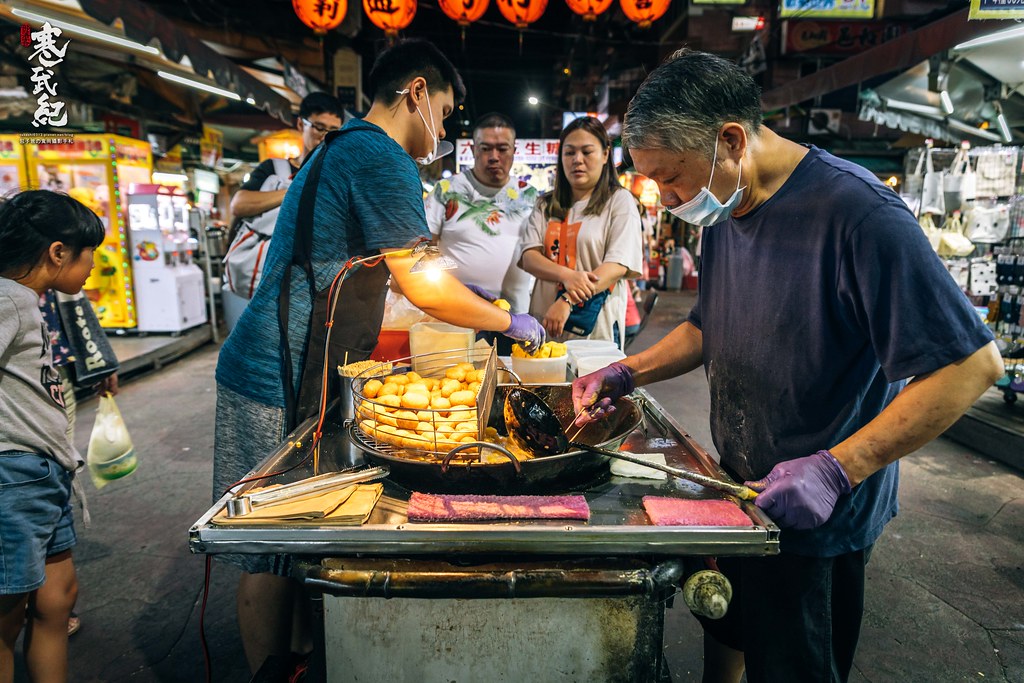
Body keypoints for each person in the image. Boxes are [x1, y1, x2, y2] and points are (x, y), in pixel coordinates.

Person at [571, 49, 1003, 683]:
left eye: (672, 179)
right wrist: (629, 371)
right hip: (738, 489)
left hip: (816, 515)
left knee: (794, 662)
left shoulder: (859, 215)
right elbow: (705, 326)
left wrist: (839, 467)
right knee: (729, 626)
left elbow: (972, 365)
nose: (666, 200)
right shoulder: (724, 206)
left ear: (731, 140)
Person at [213, 39, 545, 675]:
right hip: (272, 370)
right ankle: (268, 673)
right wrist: (508, 321)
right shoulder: (379, 154)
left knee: (292, 534)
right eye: (445, 114)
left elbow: (405, 269)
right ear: (416, 93)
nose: (445, 132)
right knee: (267, 540)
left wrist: (463, 295)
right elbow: (422, 283)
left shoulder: (350, 148)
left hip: (297, 361)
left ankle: (305, 658)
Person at [0, 190, 105, 683]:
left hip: (42, 473)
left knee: (58, 599)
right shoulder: (9, 298)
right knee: (6, 618)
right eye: (89, 255)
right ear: (58, 252)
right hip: (13, 475)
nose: (92, 267)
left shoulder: (26, 299)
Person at [519, 116, 643, 349]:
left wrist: (567, 299)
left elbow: (617, 265)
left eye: (587, 152)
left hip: (595, 330)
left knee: (591, 384)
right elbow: (529, 257)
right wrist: (567, 275)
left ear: (606, 154)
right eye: (569, 153)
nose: (577, 160)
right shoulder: (545, 204)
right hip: (544, 324)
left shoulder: (619, 201)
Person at [38, 289, 119, 638]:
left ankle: (47, 600)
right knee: (39, 482)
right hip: (25, 378)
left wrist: (99, 357)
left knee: (55, 477)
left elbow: (73, 297)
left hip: (54, 368)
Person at [225, 92, 345, 300]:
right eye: (318, 127)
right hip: (267, 276)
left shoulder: (337, 177)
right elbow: (239, 204)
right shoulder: (274, 168)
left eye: (333, 131)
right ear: (301, 125)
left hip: (311, 285)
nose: (324, 136)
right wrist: (296, 190)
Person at [424, 112, 537, 321]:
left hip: (516, 317)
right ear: (473, 149)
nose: (494, 156)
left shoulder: (530, 196)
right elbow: (423, 247)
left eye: (502, 148)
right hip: (456, 315)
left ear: (514, 151)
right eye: (486, 148)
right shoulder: (446, 190)